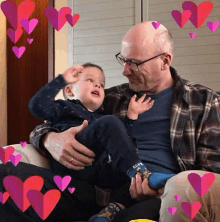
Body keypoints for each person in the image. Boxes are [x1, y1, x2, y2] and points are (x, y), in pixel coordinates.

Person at [0, 21, 220, 222]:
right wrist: (49, 139)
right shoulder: (112, 98)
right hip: (93, 190)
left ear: (164, 61)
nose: (124, 71)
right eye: (123, 60)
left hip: (158, 198)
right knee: (6, 178)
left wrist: (165, 189)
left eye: (134, 63)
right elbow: (59, 117)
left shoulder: (203, 102)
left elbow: (210, 174)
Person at [28, 62, 174, 222]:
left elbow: (124, 145)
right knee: (110, 123)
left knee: (128, 179)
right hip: (70, 160)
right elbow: (36, 105)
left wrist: (132, 116)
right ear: (69, 90)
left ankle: (109, 212)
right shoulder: (65, 107)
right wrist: (61, 80)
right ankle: (144, 174)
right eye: (90, 80)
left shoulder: (101, 117)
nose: (98, 84)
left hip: (95, 173)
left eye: (102, 84)